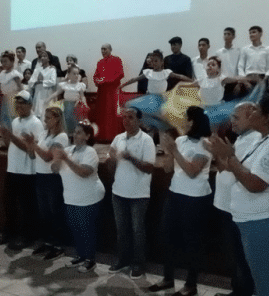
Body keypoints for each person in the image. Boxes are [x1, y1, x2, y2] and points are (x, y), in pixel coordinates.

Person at [206, 95, 269, 296]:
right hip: (258, 221)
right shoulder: (265, 139)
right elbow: (241, 170)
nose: (251, 113)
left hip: (268, 222)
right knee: (264, 284)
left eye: (255, 110)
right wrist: (224, 155)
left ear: (267, 117)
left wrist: (230, 156)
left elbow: (255, 184)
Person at [150, 107, 213, 295]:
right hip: (175, 194)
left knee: (192, 242)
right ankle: (167, 279)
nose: (183, 121)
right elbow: (168, 169)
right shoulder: (180, 140)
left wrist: (175, 151)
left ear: (193, 122)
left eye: (186, 118)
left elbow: (192, 171)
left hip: (195, 198)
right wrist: (168, 152)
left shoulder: (206, 144)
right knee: (168, 237)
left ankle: (191, 285)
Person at [211, 102, 257, 296]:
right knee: (235, 254)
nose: (232, 121)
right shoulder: (242, 139)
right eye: (232, 117)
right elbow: (226, 168)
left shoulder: (255, 140)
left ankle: (243, 292)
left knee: (242, 255)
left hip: (239, 208)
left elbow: (243, 172)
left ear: (252, 117)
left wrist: (225, 155)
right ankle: (237, 290)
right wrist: (217, 153)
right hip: (228, 205)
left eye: (236, 118)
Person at [0, 90, 43, 249]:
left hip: (27, 171)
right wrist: (4, 135)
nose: (18, 106)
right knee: (9, 203)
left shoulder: (36, 123)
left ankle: (28, 237)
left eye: (22, 103)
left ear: (30, 105)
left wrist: (11, 136)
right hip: (13, 168)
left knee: (27, 206)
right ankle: (9, 234)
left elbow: (29, 148)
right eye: (16, 103)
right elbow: (11, 145)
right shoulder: (15, 122)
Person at [107, 106, 156, 279]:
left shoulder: (146, 140)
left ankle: (138, 264)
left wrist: (130, 158)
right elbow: (111, 166)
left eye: (130, 117)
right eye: (124, 117)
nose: (126, 121)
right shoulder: (118, 138)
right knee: (122, 230)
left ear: (139, 121)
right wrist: (111, 160)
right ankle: (123, 260)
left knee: (137, 231)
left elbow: (149, 168)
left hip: (138, 194)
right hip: (118, 192)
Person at [52, 122, 104, 273]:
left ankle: (90, 260)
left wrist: (66, 159)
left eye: (79, 132)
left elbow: (83, 172)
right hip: (71, 197)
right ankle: (80, 256)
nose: (75, 135)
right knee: (75, 228)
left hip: (88, 197)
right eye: (74, 132)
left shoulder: (90, 152)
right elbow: (54, 169)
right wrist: (57, 158)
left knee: (87, 229)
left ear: (87, 136)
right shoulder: (68, 150)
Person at [25, 106, 69, 261]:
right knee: (44, 213)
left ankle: (58, 246)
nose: (45, 121)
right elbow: (33, 155)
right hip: (40, 176)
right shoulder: (43, 134)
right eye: (45, 117)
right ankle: (47, 242)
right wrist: (30, 146)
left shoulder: (62, 137)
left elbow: (47, 157)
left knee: (54, 211)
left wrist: (34, 145)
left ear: (57, 119)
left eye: (48, 118)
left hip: (53, 178)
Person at [93, 43, 126, 142]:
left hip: (112, 91)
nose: (103, 51)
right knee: (102, 115)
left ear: (110, 49)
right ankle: (102, 137)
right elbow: (96, 75)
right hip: (102, 92)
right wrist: (97, 80)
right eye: (102, 49)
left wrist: (106, 81)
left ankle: (114, 137)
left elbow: (120, 74)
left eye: (105, 49)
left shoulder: (117, 60)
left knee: (112, 114)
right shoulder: (100, 62)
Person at [51, 65, 90, 134]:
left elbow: (82, 96)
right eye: (74, 73)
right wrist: (49, 98)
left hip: (76, 106)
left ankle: (75, 135)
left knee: (76, 121)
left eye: (77, 74)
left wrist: (85, 104)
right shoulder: (65, 85)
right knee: (66, 120)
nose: (76, 75)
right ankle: (68, 135)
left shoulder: (80, 85)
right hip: (66, 105)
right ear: (68, 75)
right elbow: (57, 93)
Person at [28, 50, 59, 120]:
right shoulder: (37, 70)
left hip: (46, 94)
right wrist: (36, 82)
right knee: (37, 113)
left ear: (49, 59)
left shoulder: (52, 69)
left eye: (44, 56)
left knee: (45, 113)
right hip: (38, 93)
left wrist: (41, 81)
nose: (42, 58)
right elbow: (30, 81)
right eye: (41, 56)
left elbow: (53, 81)